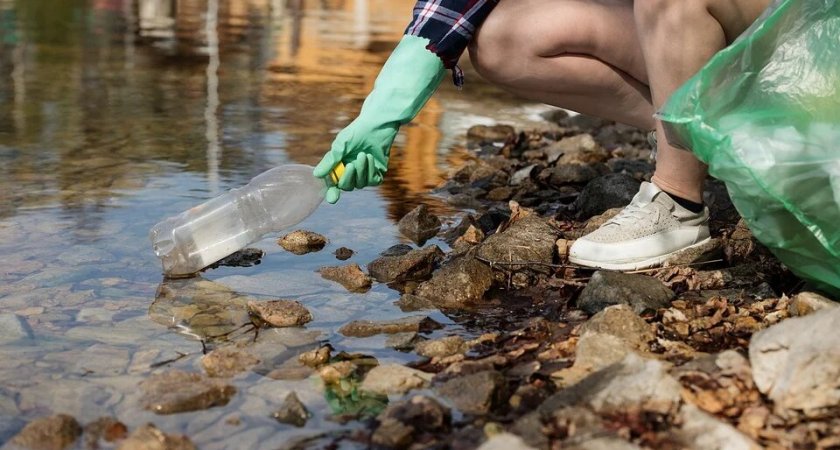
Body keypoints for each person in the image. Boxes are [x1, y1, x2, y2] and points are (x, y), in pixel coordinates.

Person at [313, 0, 771, 270]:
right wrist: (386, 106)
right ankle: (722, 135)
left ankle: (679, 200)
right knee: (503, 39)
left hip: (793, 29)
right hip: (691, 30)